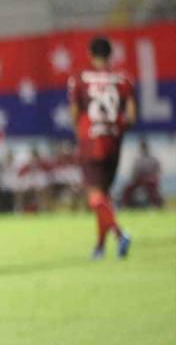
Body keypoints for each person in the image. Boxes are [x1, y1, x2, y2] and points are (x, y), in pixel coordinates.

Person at [68, 36, 135, 258]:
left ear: (90, 53)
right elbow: (131, 116)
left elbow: (75, 114)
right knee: (103, 197)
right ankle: (99, 247)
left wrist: (84, 134)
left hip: (91, 141)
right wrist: (114, 128)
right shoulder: (124, 78)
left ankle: (120, 233)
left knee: (94, 197)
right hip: (114, 141)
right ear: (110, 54)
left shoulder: (79, 79)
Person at [119, 138, 163, 208]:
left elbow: (158, 170)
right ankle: (125, 205)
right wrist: (135, 178)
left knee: (153, 190)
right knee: (128, 188)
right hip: (140, 179)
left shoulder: (153, 159)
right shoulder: (138, 159)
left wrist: (153, 177)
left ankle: (157, 206)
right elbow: (134, 172)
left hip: (150, 179)